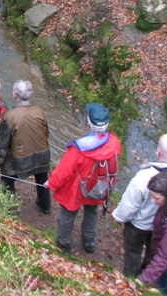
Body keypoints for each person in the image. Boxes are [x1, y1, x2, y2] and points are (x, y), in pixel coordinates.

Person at [113, 133, 167, 277]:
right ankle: (147, 276)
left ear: (158, 151)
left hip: (139, 225)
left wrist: (118, 217)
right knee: (154, 253)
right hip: (164, 226)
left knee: (133, 252)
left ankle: (131, 277)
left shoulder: (143, 177)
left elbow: (129, 206)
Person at [47, 103, 122, 254]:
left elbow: (64, 171)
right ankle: (89, 241)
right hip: (98, 187)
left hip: (77, 188)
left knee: (67, 215)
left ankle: (64, 244)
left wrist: (51, 183)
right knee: (92, 212)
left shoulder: (78, 149)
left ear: (89, 124)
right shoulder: (114, 143)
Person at [0, 80, 51, 215]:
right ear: (31, 93)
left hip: (21, 159)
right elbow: (46, 134)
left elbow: (1, 145)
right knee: (42, 177)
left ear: (13, 95)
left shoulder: (10, 116)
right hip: (43, 156)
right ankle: (45, 205)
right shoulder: (40, 111)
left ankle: (11, 209)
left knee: (7, 176)